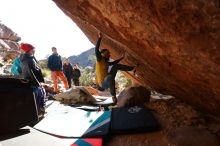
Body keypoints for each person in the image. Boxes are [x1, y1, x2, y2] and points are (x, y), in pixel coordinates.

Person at [95, 32, 137, 103]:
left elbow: (114, 63)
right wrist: (99, 38)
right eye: (108, 53)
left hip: (108, 78)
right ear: (104, 54)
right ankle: (113, 96)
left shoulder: (106, 62)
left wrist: (122, 58)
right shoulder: (99, 60)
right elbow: (96, 49)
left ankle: (132, 69)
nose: (110, 54)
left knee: (115, 66)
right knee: (109, 77)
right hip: (103, 83)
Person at [19, 43, 46, 113]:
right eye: (33, 49)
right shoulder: (28, 60)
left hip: (31, 80)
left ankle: (40, 109)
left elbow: (35, 68)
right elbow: (31, 72)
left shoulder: (29, 58)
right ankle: (37, 110)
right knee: (39, 93)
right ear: (29, 50)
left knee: (41, 92)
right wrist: (37, 83)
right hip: (32, 81)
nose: (34, 50)